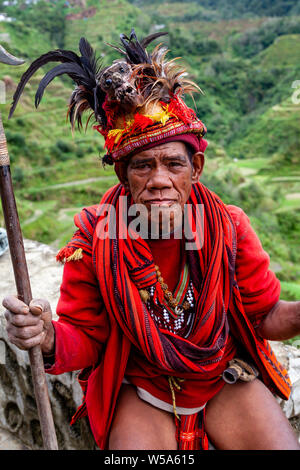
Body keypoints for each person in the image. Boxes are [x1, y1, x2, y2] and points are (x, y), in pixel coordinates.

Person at [3, 30, 300, 451]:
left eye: (173, 164)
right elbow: (86, 337)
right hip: (141, 385)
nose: (159, 180)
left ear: (195, 168)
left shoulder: (228, 227)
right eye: (142, 165)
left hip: (219, 375)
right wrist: (47, 336)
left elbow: (265, 315)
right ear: (123, 176)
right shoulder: (95, 239)